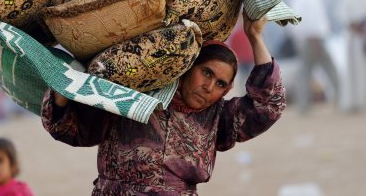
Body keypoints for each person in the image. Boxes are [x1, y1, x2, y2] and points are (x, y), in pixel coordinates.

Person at [41, 11, 286, 195]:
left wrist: (254, 36)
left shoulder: (219, 118)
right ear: (188, 67)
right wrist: (64, 87)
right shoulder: (134, 95)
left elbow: (269, 105)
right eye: (207, 73)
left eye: (221, 84)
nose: (209, 87)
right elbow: (72, 130)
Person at [289, 0, 339, 113]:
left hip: (303, 40)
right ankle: (342, 99)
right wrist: (316, 39)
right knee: (331, 70)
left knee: (305, 73)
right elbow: (313, 21)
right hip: (314, 39)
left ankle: (303, 106)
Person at [337, 0, 366, 112]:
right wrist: (353, 25)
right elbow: (342, 14)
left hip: (363, 38)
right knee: (352, 69)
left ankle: (361, 101)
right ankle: (350, 102)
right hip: (352, 38)